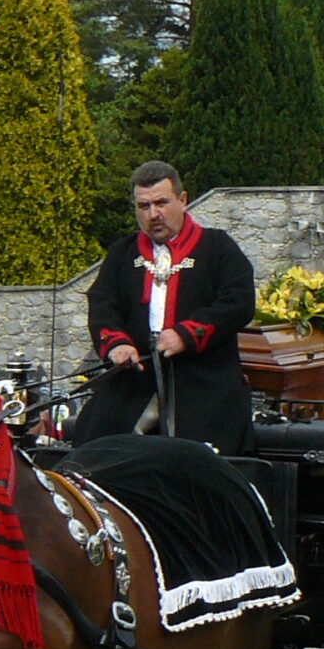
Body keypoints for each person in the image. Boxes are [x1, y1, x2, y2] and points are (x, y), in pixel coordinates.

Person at [72, 161, 258, 452]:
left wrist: (186, 334)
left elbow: (239, 301)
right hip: (136, 379)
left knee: (201, 459)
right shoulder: (122, 253)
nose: (153, 215)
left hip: (204, 380)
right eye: (143, 206)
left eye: (161, 203)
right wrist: (116, 345)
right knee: (96, 448)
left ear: (182, 200)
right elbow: (102, 303)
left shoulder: (217, 247)